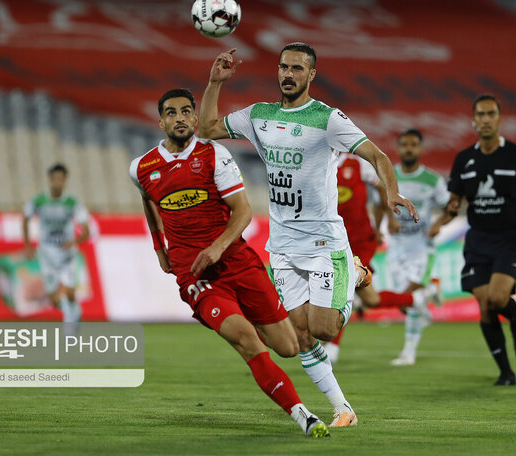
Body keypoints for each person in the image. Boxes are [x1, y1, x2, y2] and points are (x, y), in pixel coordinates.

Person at [198, 43, 418, 427]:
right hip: (282, 244)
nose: (288, 74)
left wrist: (391, 191)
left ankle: (355, 271)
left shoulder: (327, 118)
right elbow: (207, 129)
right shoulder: (259, 115)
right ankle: (343, 409)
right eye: (284, 67)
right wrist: (215, 82)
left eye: (297, 69)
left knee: (324, 328)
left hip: (324, 241)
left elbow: (378, 157)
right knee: (299, 336)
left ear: (311, 74)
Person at [129, 88, 329, 438]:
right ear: (161, 121)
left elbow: (243, 211)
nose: (180, 118)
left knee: (288, 347)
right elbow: (149, 202)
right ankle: (303, 415)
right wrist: (161, 249)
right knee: (247, 340)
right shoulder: (142, 168)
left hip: (236, 261)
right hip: (196, 276)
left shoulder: (213, 155)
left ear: (194, 117)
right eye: (172, 113)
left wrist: (218, 247)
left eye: (187, 111)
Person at [446, 94, 516, 386]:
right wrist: (445, 215)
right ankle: (506, 372)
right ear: (473, 120)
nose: (485, 119)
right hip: (477, 240)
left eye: (490, 114)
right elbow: (455, 199)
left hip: (508, 238)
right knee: (485, 307)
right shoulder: (464, 159)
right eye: (480, 114)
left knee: (497, 299)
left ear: (500, 119)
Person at [324, 152, 440, 365]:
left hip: (360, 241)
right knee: (371, 299)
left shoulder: (358, 164)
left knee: (344, 285)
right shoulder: (318, 161)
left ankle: (332, 346)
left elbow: (381, 192)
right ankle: (416, 298)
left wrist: (386, 221)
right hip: (332, 240)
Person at [387, 129, 450, 366]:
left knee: (409, 297)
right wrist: (388, 218)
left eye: (414, 144)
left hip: (423, 247)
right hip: (397, 247)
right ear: (399, 148)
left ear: (421, 148)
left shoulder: (433, 180)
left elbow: (450, 207)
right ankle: (430, 292)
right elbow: (378, 202)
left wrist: (439, 223)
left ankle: (408, 353)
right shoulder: (389, 175)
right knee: (404, 302)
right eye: (405, 144)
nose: (409, 149)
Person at [23, 163, 89, 323]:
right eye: (56, 179)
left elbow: (86, 230)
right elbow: (25, 218)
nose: (58, 182)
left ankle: (70, 318)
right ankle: (72, 312)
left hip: (66, 254)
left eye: (62, 179)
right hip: (46, 254)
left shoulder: (73, 203)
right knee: (53, 299)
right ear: (50, 179)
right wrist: (27, 245)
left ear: (65, 180)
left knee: (71, 293)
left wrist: (74, 241)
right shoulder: (39, 200)